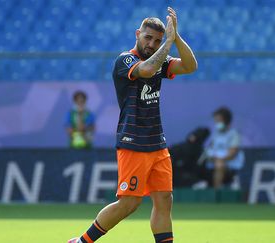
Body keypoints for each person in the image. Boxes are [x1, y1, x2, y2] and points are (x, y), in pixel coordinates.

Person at [68, 7, 197, 243]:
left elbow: (190, 66)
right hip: (133, 142)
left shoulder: (161, 59)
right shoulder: (124, 60)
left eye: (157, 40)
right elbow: (147, 70)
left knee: (164, 200)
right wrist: (167, 43)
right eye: (148, 37)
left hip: (157, 143)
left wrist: (175, 37)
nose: (152, 43)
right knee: (129, 203)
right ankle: (82, 241)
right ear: (137, 34)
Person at [204, 107, 245, 189]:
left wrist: (219, 159)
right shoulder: (215, 134)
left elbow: (232, 154)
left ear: (226, 121)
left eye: (219, 121)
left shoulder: (234, 134)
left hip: (229, 164)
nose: (217, 123)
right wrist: (210, 157)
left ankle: (216, 192)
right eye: (216, 121)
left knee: (219, 164)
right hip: (213, 162)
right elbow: (210, 150)